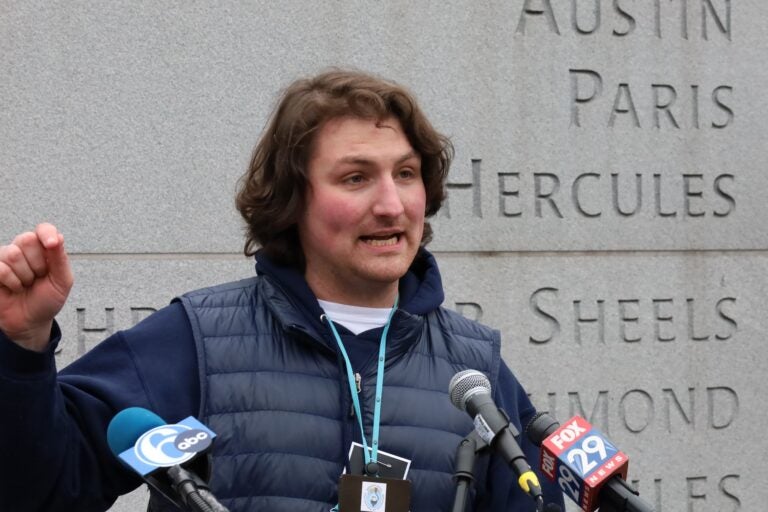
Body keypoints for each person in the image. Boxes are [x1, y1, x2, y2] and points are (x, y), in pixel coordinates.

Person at [0, 69, 564, 512]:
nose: (392, 204)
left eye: (407, 174)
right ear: (292, 200)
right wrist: (22, 350)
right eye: (356, 177)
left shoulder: (476, 374)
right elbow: (40, 492)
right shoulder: (196, 341)